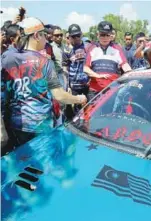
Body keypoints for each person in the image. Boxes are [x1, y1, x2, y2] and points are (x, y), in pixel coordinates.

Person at [1, 17, 87, 150]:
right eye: (44, 36)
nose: (46, 40)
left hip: (15, 126)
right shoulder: (45, 62)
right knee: (41, 165)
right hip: (40, 127)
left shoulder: (7, 58)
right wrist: (79, 98)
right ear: (36, 35)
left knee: (20, 162)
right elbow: (59, 95)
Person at [84, 21, 131, 100]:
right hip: (95, 92)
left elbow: (125, 66)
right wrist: (97, 75)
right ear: (97, 34)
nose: (105, 38)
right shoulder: (92, 48)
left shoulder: (117, 49)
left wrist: (133, 75)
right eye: (102, 35)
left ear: (111, 35)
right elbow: (85, 68)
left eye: (107, 35)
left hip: (112, 91)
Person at [62, 23, 91, 114]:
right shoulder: (66, 50)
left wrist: (91, 79)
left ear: (81, 34)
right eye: (73, 36)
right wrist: (67, 86)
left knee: (89, 108)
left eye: (78, 36)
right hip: (74, 86)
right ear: (69, 37)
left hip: (87, 84)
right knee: (76, 112)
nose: (76, 38)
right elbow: (65, 68)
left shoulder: (88, 47)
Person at [51, 26, 67, 90]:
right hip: (56, 76)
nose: (59, 37)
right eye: (57, 35)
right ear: (52, 36)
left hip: (66, 74)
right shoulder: (50, 47)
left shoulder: (66, 47)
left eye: (61, 35)